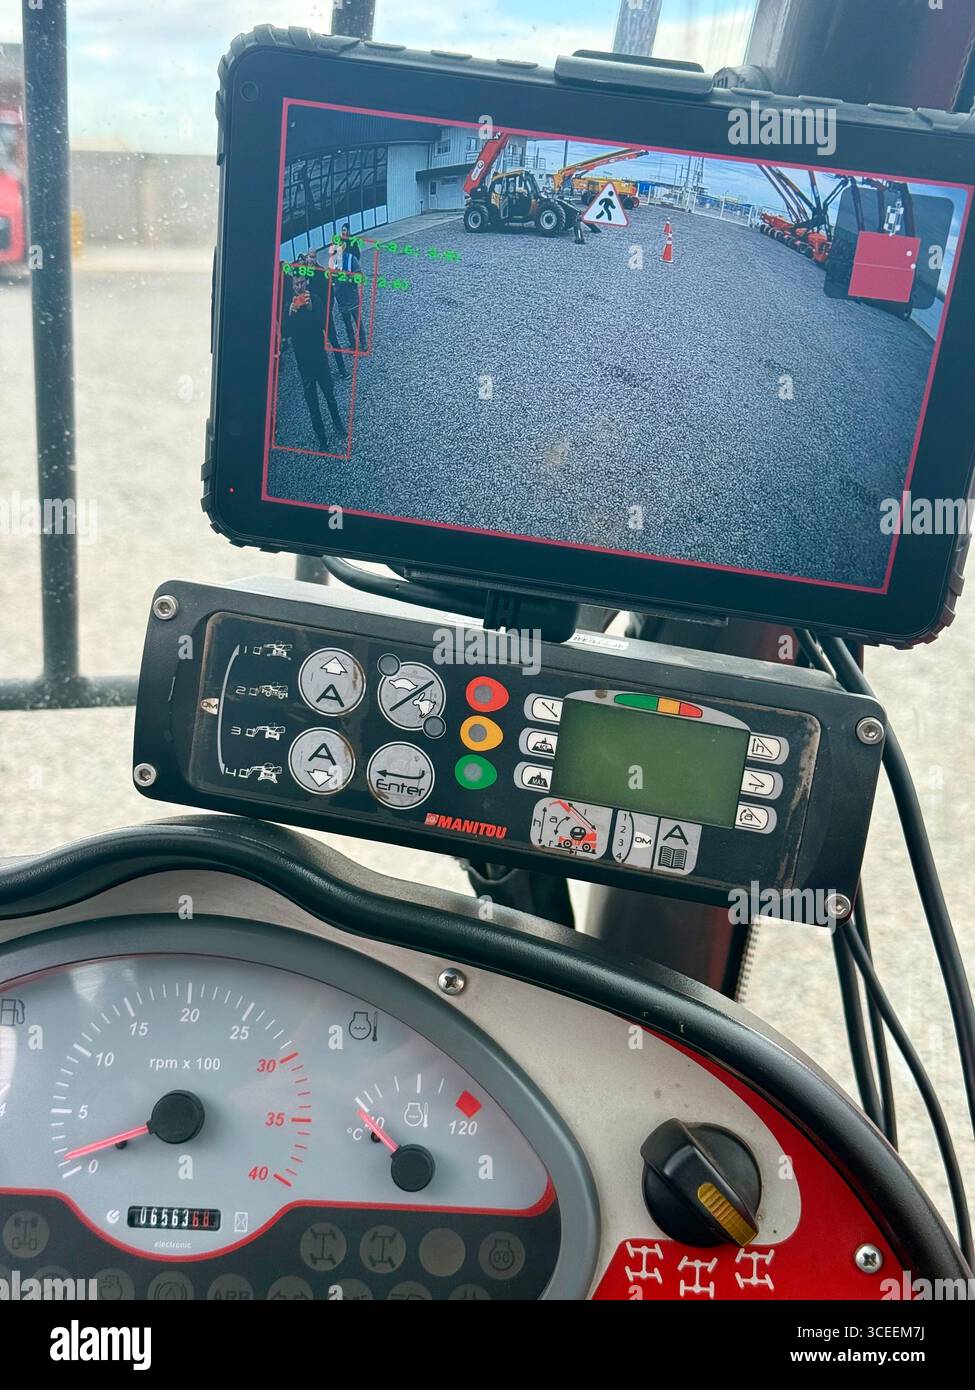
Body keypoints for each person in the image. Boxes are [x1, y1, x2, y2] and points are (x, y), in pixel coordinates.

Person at [286, 259, 346, 452]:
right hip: (304, 366)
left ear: (307, 282)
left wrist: (311, 309)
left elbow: (323, 325)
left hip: (320, 361)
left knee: (330, 396)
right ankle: (322, 439)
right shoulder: (289, 307)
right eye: (296, 283)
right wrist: (290, 314)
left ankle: (339, 426)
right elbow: (285, 335)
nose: (299, 286)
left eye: (302, 282)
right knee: (313, 407)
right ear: (292, 287)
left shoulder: (316, 300)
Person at [330, 223, 367, 350]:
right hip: (341, 299)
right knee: (347, 324)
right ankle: (352, 343)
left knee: (358, 321)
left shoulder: (352, 259)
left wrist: (348, 277)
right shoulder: (333, 262)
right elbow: (331, 278)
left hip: (352, 296)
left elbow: (360, 277)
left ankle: (363, 342)